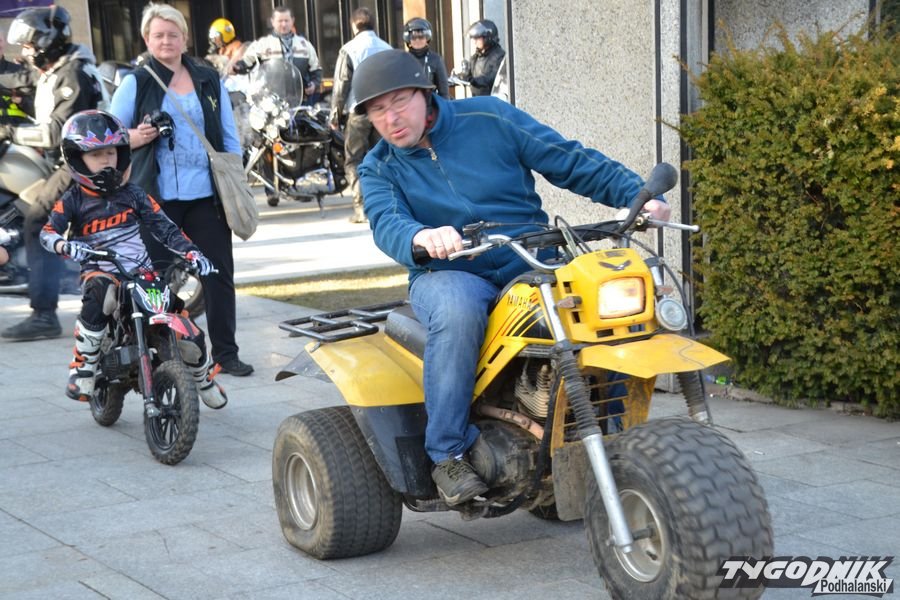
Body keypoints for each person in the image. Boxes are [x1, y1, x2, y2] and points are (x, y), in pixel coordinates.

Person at [353, 50, 671, 506]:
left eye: (400, 101)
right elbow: (387, 221)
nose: (391, 118)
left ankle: (614, 433)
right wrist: (421, 236)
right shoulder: (379, 166)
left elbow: (568, 159)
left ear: (426, 93)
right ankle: (448, 453)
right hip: (450, 270)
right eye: (378, 110)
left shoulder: (490, 117)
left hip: (529, 256)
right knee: (457, 312)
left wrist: (636, 196)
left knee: (601, 304)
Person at [39, 109, 227, 409]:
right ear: (77, 159)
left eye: (111, 152)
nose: (106, 160)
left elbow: (166, 228)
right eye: (96, 154)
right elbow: (47, 233)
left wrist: (193, 253)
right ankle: (84, 366)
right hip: (100, 271)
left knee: (183, 322)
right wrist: (65, 245)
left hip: (141, 273)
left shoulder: (135, 194)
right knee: (100, 292)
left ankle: (203, 378)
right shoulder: (73, 199)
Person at [109, 3, 254, 377]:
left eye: (173, 34)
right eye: (158, 35)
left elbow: (228, 136)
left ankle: (226, 354)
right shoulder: (136, 82)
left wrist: (235, 179)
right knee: (154, 279)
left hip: (206, 197)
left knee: (217, 274)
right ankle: (160, 356)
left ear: (185, 38)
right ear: (147, 39)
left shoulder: (208, 78)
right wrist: (137, 136)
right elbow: (109, 136)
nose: (166, 41)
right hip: (156, 200)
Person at [0, 5, 107, 342]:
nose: (26, 52)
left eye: (29, 46)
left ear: (46, 43)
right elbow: (18, 78)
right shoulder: (57, 68)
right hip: (73, 160)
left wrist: (8, 131)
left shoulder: (72, 74)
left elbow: (57, 132)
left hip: (85, 162)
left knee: (38, 220)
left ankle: (44, 315)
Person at [329, 7, 390, 224]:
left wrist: (335, 115)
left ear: (354, 25)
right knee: (382, 157)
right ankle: (385, 204)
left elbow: (341, 85)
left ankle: (361, 208)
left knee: (354, 159)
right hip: (383, 111)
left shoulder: (349, 49)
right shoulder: (386, 48)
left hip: (358, 111)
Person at [235, 6, 322, 104]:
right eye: (280, 21)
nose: (283, 24)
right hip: (271, 101)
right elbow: (246, 62)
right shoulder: (262, 44)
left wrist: (314, 84)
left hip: (301, 100)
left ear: (292, 21)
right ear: (272, 22)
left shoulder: (305, 45)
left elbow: (316, 70)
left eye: (286, 20)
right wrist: (238, 67)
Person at [456, 20, 506, 97]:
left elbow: (492, 78)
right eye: (474, 39)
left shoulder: (499, 56)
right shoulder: (475, 57)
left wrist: (473, 80)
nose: (474, 42)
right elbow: (468, 75)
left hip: (492, 101)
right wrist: (460, 77)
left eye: (477, 38)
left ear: (488, 37)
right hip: (477, 100)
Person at [403, 18, 449, 99]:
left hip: (430, 103)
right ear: (408, 39)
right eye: (413, 37)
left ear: (427, 38)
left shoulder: (436, 59)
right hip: (409, 103)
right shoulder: (403, 60)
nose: (417, 40)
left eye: (421, 37)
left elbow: (444, 92)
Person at [0, 30, 32, 124]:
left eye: (0, 41)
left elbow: (39, 108)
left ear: (4, 43)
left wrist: (21, 101)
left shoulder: (20, 72)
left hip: (18, 128)